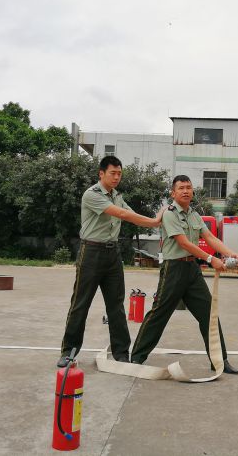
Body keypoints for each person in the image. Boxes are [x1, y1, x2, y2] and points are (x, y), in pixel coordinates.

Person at [57, 156, 164, 367]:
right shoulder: (92, 194)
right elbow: (122, 214)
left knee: (116, 305)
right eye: (112, 173)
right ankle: (69, 351)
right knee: (80, 304)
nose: (116, 177)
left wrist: (158, 220)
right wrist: (154, 220)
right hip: (91, 253)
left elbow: (130, 212)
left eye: (119, 174)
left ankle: (121, 353)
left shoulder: (117, 195)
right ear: (101, 174)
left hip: (112, 253)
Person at [130, 175, 238, 374]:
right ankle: (137, 358)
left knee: (209, 314)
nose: (185, 191)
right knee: (159, 314)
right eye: (181, 188)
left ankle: (219, 361)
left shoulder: (194, 215)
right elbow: (184, 243)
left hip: (192, 270)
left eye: (188, 187)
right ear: (173, 193)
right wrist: (211, 259)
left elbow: (209, 237)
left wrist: (228, 252)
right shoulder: (170, 214)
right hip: (173, 269)